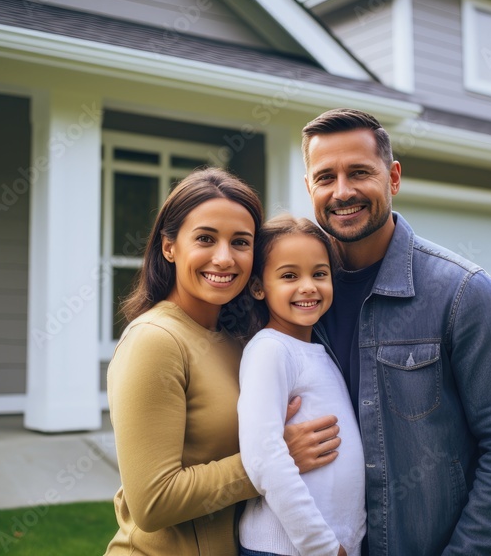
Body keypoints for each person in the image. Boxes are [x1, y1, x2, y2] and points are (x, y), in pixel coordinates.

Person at [301, 109, 491, 555]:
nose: (343, 191)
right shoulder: (292, 301)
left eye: (359, 172)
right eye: (325, 177)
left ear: (393, 177)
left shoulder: (463, 294)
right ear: (309, 188)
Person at [104, 168, 341, 556]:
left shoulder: (239, 341)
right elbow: (152, 502)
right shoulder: (154, 341)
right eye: (205, 239)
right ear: (169, 247)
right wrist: (272, 461)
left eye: (241, 242)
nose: (224, 258)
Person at [236, 215, 365, 556]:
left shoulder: (316, 351)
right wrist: (322, 546)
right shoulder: (270, 350)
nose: (308, 286)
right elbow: (264, 458)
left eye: (319, 274)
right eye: (290, 275)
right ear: (258, 287)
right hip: (286, 548)